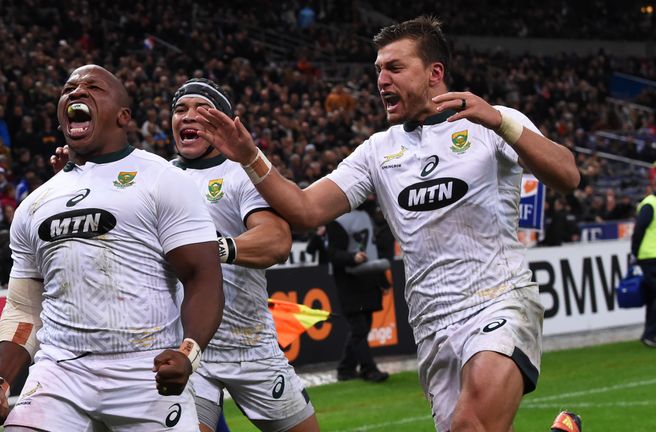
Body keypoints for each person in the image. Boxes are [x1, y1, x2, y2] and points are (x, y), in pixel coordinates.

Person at [194, 16, 581, 432]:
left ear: (435, 73)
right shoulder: (378, 151)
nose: (381, 79)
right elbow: (305, 210)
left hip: (499, 299)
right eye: (378, 69)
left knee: (472, 425)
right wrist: (251, 156)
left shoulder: (489, 122)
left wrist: (502, 122)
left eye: (395, 67)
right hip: (431, 322)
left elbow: (568, 176)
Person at [0, 64, 225, 431]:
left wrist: (189, 352)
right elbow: (24, 306)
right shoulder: (34, 204)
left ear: (123, 117)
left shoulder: (163, 179)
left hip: (146, 369)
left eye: (93, 87)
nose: (76, 92)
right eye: (69, 88)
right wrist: (0, 382)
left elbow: (203, 275)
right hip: (59, 371)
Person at [170, 78, 320, 432]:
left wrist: (213, 249)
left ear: (222, 121)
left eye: (201, 109)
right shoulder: (159, 177)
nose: (187, 116)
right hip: (190, 348)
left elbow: (277, 241)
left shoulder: (242, 173)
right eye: (180, 109)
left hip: (251, 347)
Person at [327, 205, 390, 383]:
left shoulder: (365, 215)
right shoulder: (336, 220)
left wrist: (382, 280)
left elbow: (372, 249)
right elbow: (332, 253)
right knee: (359, 328)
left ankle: (345, 368)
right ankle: (368, 369)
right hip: (349, 280)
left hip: (368, 278)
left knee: (363, 328)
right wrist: (352, 257)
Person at [630, 186, 656, 348]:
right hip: (649, 257)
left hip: (649, 256)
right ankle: (650, 333)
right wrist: (635, 252)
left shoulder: (650, 203)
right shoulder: (650, 204)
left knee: (652, 296)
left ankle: (649, 333)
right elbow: (639, 230)